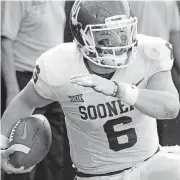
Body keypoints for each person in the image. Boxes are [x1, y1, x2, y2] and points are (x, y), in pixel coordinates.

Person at [1, 1, 180, 180]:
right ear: (82, 35)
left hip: (148, 165)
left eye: (121, 31)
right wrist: (1, 145)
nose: (117, 41)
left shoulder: (149, 52)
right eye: (106, 35)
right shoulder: (60, 66)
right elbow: (25, 101)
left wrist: (120, 90)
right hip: (98, 175)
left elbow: (170, 107)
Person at [1, 1, 66, 180]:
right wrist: (13, 91)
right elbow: (4, 43)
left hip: (54, 83)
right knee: (21, 159)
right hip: (25, 81)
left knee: (55, 157)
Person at [129, 0, 180, 146]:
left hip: (133, 69)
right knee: (159, 125)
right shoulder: (169, 2)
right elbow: (176, 42)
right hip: (160, 69)